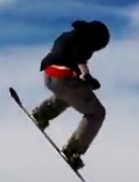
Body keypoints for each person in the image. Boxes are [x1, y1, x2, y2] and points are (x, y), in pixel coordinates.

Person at [29, 19, 110, 169]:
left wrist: (84, 80)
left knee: (70, 96)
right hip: (63, 79)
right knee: (97, 113)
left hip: (49, 76)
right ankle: (73, 151)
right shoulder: (84, 42)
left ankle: (42, 114)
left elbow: (66, 55)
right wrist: (87, 76)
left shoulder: (66, 36)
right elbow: (79, 56)